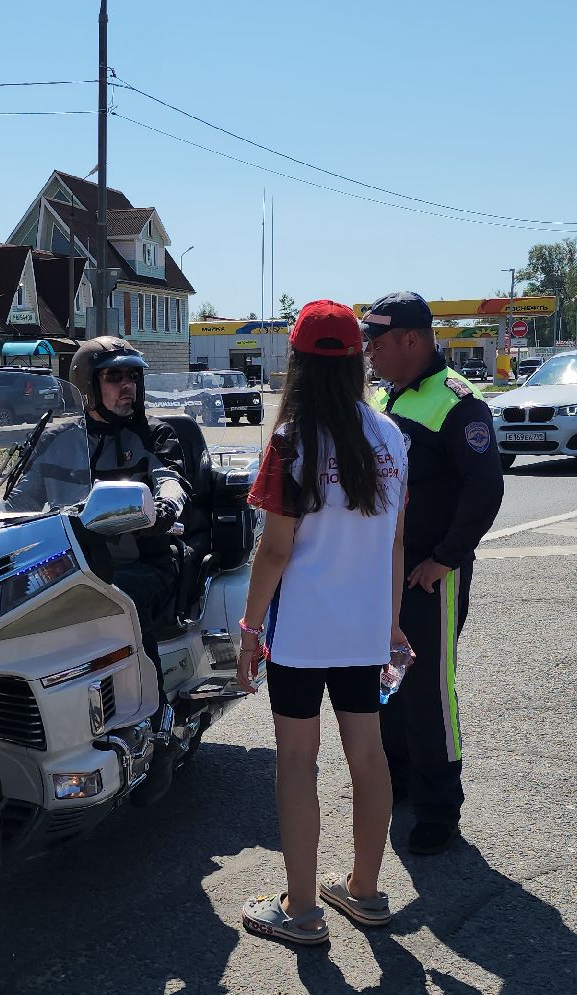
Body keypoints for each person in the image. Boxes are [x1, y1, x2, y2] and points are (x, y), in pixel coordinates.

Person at [235, 300, 410, 947]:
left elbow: (275, 551)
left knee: (298, 763)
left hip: (303, 636)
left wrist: (250, 632)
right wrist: (390, 625)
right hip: (363, 631)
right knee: (369, 755)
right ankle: (364, 889)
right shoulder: (390, 437)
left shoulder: (292, 442)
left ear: (298, 364)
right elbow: (395, 543)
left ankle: (303, 908)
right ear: (360, 359)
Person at [363, 291, 504, 856]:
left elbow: (485, 488)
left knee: (427, 689)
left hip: (429, 575)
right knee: (385, 682)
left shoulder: (458, 404)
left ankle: (439, 807)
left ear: (412, 341)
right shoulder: (383, 395)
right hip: (381, 574)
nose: (369, 350)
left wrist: (446, 556)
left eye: (377, 340)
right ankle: (398, 781)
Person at [65, 336, 191, 721]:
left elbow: (171, 479)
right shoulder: (59, 438)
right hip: (72, 564)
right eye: (113, 377)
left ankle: (155, 719)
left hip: (143, 562)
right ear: (88, 385)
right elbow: (21, 495)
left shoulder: (154, 435)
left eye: (132, 377)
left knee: (121, 599)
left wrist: (166, 506)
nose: (128, 386)